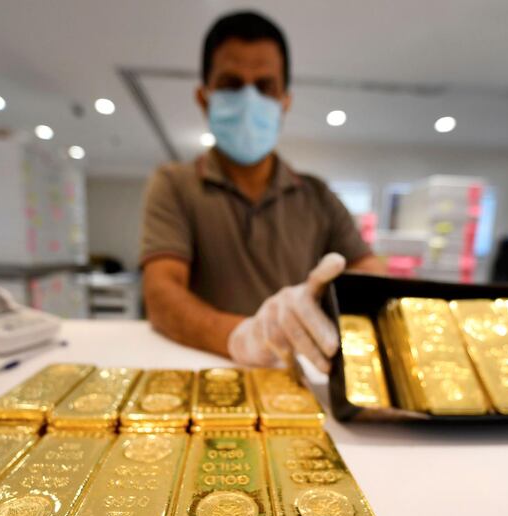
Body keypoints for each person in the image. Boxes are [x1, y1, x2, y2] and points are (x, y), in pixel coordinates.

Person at [140, 11, 385, 373]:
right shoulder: (175, 185)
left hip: (299, 375)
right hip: (208, 369)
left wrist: (333, 305)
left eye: (264, 86)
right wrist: (240, 335)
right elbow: (160, 293)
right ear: (204, 97)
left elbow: (369, 270)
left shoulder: (317, 195)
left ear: (285, 100)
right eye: (231, 84)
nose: (249, 98)